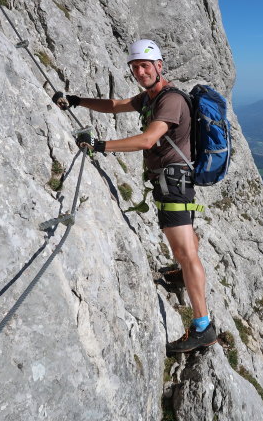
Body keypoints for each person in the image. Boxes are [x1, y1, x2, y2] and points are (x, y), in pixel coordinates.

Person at [53, 39, 216, 353]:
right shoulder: (151, 97)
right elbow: (116, 105)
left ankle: (203, 325)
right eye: (135, 67)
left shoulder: (169, 101)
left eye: (145, 66)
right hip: (174, 180)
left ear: (159, 66)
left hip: (174, 183)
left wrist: (99, 146)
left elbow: (148, 139)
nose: (140, 72)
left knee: (186, 252)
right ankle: (181, 275)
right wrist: (75, 100)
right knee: (184, 245)